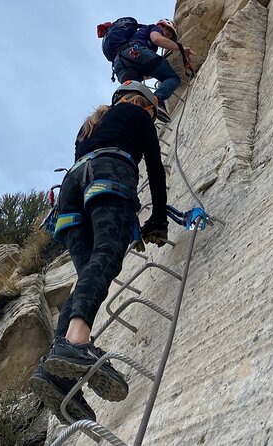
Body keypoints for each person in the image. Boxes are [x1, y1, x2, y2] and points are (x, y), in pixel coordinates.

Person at [28, 80, 169, 423]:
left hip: (70, 195)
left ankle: (55, 373)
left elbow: (82, 165)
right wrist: (159, 219)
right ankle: (77, 344)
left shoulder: (89, 126)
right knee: (107, 255)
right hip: (109, 174)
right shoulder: (138, 114)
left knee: (89, 271)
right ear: (146, 104)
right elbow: (154, 166)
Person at [113, 19, 195, 122]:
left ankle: (123, 118)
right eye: (168, 33)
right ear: (163, 26)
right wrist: (182, 48)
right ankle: (157, 100)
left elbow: (148, 71)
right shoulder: (154, 28)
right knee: (172, 77)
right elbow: (157, 39)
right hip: (136, 51)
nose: (166, 37)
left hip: (119, 63)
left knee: (132, 95)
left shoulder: (138, 36)